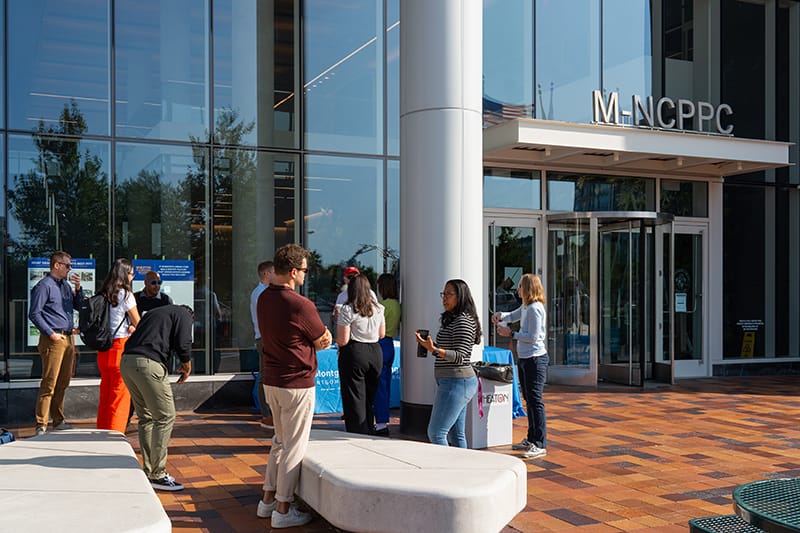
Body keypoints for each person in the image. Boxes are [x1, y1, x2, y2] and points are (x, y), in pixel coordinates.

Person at [256, 244, 332, 529]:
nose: (305, 274)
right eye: (304, 270)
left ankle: (267, 502)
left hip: (272, 380)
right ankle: (284, 508)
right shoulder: (301, 304)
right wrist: (318, 339)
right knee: (294, 447)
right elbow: (322, 338)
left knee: (279, 441)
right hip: (297, 382)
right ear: (292, 272)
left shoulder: (263, 298)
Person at [120, 304, 193, 491]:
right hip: (148, 364)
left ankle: (148, 470)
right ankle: (157, 474)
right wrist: (187, 364)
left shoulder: (154, 312)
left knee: (147, 418)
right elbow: (183, 342)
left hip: (127, 361)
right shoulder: (184, 314)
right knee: (166, 416)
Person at [415, 279, 481, 448]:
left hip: (458, 382)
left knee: (436, 433)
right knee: (456, 434)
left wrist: (435, 350)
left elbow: (461, 356)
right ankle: (460, 471)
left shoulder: (464, 321)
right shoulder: (453, 319)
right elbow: (451, 350)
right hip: (453, 382)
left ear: (460, 296)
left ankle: (445, 472)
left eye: (449, 294)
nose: (444, 298)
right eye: (443, 294)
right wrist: (430, 347)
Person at [492, 273, 548, 459]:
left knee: (535, 400)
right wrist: (501, 316)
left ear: (528, 288)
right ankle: (532, 439)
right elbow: (513, 315)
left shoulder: (534, 309)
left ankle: (539, 443)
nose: (518, 289)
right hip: (526, 358)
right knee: (529, 399)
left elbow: (533, 337)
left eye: (520, 286)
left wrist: (511, 334)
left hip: (535, 359)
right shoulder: (526, 307)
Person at [28, 251, 84, 435]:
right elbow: (34, 313)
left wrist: (78, 288)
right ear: (57, 265)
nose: (70, 269)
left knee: (63, 381)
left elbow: (78, 305)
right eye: (67, 265)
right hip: (54, 338)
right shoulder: (44, 286)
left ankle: (58, 420)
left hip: (68, 337)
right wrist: (50, 334)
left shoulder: (65, 286)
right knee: (49, 381)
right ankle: (41, 424)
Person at [96, 258, 140, 433]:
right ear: (125, 274)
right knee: (120, 396)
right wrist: (133, 328)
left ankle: (103, 429)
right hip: (120, 346)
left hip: (104, 348)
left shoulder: (104, 292)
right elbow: (138, 322)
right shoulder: (126, 294)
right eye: (131, 273)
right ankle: (115, 434)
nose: (133, 276)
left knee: (106, 393)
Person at [337, 274, 384, 434]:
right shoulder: (379, 308)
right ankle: (369, 428)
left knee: (354, 398)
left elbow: (342, 340)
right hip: (375, 351)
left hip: (355, 352)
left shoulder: (348, 309)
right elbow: (382, 334)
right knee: (369, 398)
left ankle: (357, 433)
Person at [374, 273, 400, 436]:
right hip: (390, 345)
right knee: (385, 385)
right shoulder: (397, 305)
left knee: (377, 387)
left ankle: (380, 423)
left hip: (379, 344)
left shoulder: (381, 306)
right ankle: (383, 420)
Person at [250, 260, 275, 428]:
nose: (276, 274)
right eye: (274, 271)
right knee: (265, 375)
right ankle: (267, 414)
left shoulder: (264, 292)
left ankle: (269, 412)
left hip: (266, 337)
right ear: (266, 274)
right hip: (265, 338)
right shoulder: (260, 293)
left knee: (267, 375)